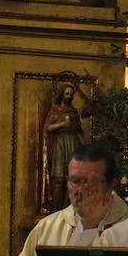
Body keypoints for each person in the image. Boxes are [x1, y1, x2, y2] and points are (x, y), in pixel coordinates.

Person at [41, 80, 85, 213]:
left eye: (71, 94)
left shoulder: (73, 111)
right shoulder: (55, 110)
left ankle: (70, 208)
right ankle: (56, 209)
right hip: (59, 143)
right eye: (66, 94)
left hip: (72, 143)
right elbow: (48, 128)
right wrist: (62, 125)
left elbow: (79, 130)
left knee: (72, 177)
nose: (69, 96)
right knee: (59, 177)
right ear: (62, 94)